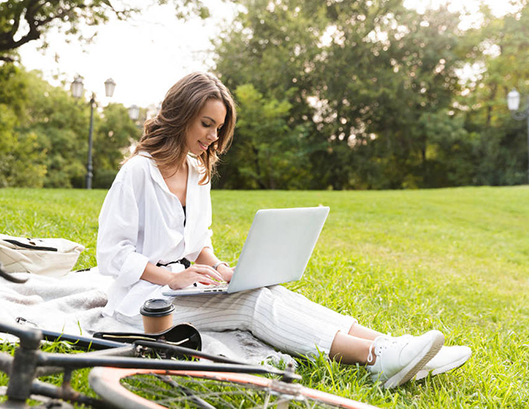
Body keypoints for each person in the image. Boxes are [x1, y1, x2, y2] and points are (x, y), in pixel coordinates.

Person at [96, 72, 471, 388]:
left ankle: (395, 347)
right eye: (206, 124)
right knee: (251, 305)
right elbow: (112, 255)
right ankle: (376, 358)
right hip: (143, 305)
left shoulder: (197, 172)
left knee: (264, 289)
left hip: (181, 287)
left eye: (219, 127)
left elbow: (197, 246)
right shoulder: (137, 172)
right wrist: (170, 278)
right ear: (180, 115)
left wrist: (225, 270)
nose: (213, 136)